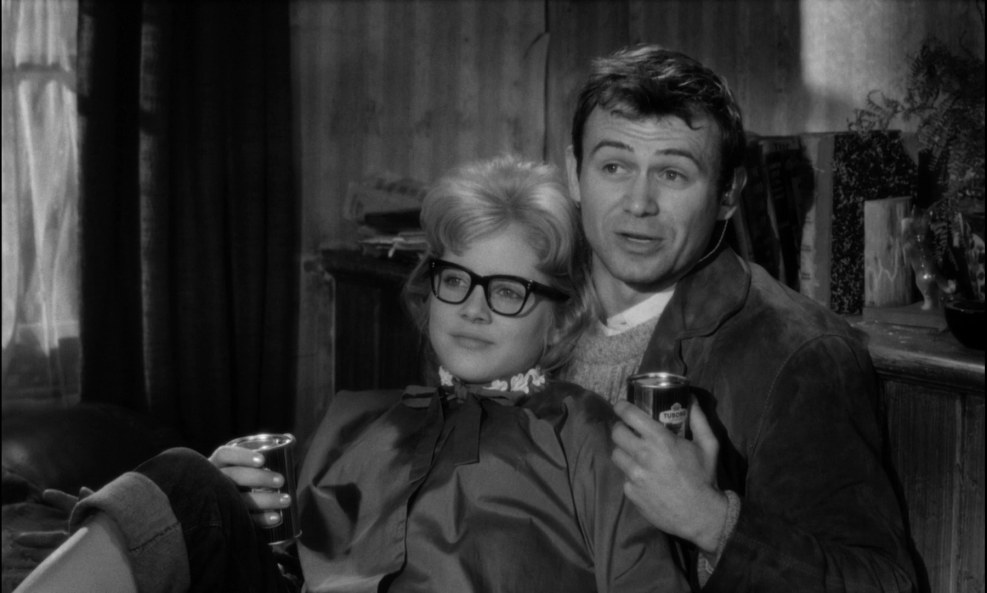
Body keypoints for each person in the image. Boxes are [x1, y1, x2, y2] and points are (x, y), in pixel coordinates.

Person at [14, 155, 689, 593]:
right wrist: (227, 508)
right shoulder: (356, 419)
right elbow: (285, 568)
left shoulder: (589, 435)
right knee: (190, 481)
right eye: (456, 279)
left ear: (558, 318)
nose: (474, 308)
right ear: (430, 290)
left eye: (508, 290)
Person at [560, 44, 920, 592]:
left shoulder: (797, 351)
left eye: (673, 174)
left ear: (728, 194)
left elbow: (883, 583)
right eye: (614, 166)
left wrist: (710, 521)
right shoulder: (528, 305)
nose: (638, 202)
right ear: (573, 173)